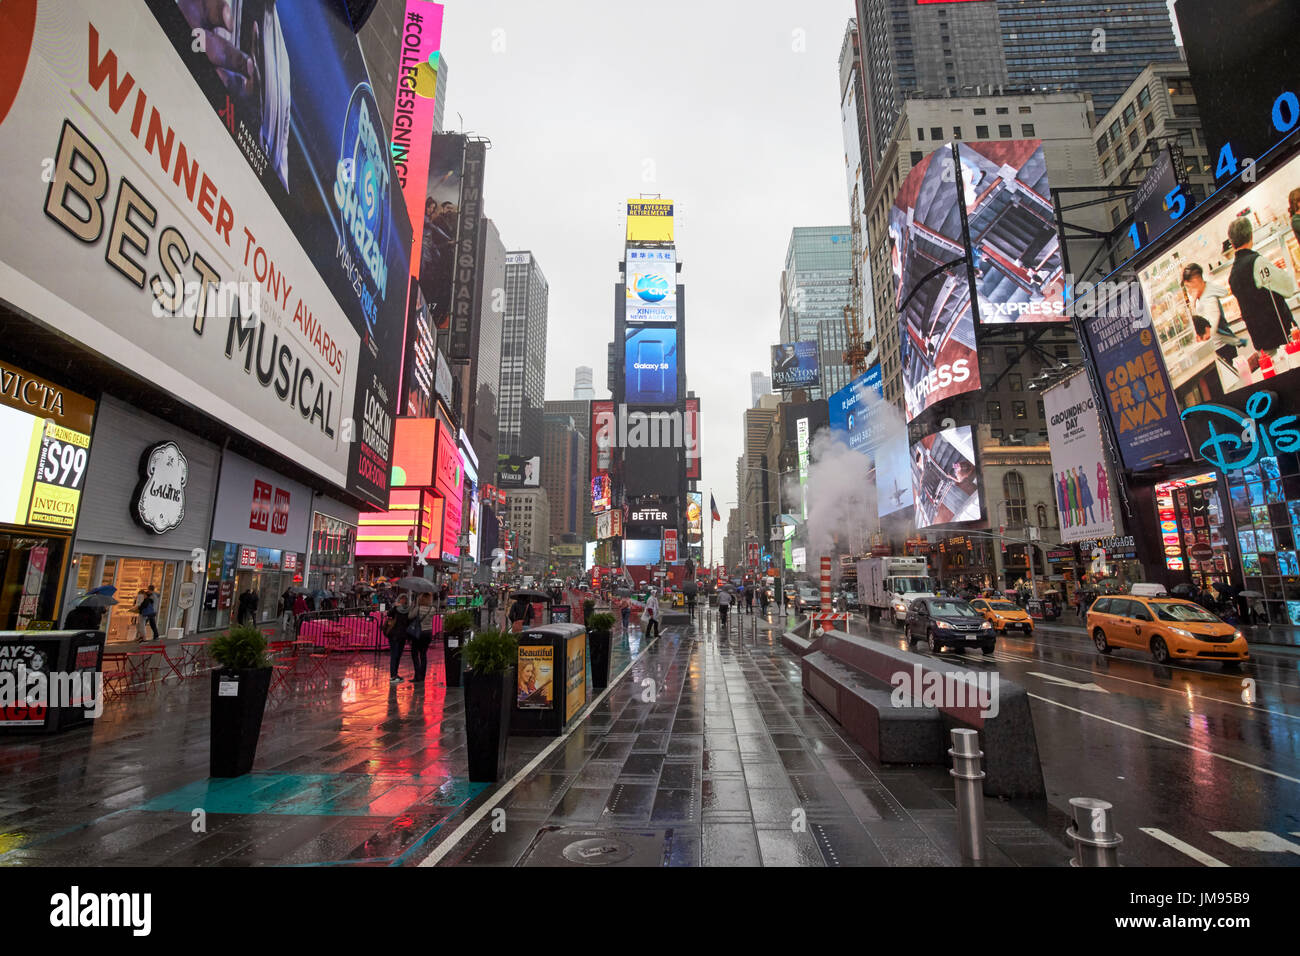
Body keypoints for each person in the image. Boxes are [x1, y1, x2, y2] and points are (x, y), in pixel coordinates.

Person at [1226, 216, 1298, 360]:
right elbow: (1289, 288)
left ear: (1232, 244)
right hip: (1281, 338)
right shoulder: (1257, 262)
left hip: (1261, 343)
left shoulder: (1232, 275)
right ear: (1251, 236)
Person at [385, 595, 412, 684]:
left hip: (402, 635)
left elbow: (408, 622)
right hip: (394, 635)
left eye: (405, 599)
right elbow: (389, 614)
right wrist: (394, 606)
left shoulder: (408, 610)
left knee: (398, 655)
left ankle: (395, 673)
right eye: (402, 598)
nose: (403, 600)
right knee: (394, 655)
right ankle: (393, 675)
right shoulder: (396, 609)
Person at [409, 594, 434, 683]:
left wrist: (413, 606)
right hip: (428, 633)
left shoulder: (418, 608)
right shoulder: (432, 609)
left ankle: (417, 675)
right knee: (423, 654)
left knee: (414, 654)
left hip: (419, 633)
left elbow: (410, 616)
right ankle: (422, 676)